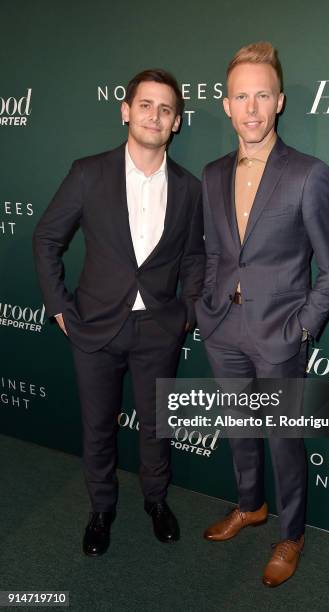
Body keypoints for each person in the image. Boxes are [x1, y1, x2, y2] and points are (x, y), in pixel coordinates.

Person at [33, 68, 205, 555]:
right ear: (126, 111)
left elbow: (195, 257)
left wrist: (188, 311)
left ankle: (155, 500)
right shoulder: (88, 172)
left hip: (160, 327)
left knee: (157, 425)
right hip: (94, 327)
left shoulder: (190, 189)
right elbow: (47, 239)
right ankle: (101, 507)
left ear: (176, 123)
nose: (155, 115)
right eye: (146, 105)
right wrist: (60, 308)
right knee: (97, 424)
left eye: (166, 109)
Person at [196, 42, 329, 587]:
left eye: (262, 94)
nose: (252, 107)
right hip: (222, 331)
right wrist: (205, 311)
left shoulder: (309, 175)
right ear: (226, 105)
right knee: (239, 428)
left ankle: (291, 532)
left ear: (279, 101)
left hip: (280, 337)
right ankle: (249, 505)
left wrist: (302, 329)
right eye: (242, 96)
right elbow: (212, 254)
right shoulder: (212, 174)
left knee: (285, 441)